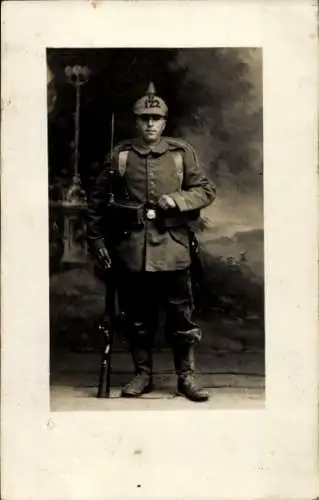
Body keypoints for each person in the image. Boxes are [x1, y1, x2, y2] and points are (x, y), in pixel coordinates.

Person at [87, 82, 216, 402]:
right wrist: (97, 241)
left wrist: (178, 199)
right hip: (133, 250)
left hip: (173, 248)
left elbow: (206, 190)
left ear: (164, 122)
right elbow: (96, 203)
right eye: (144, 118)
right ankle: (142, 375)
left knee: (181, 317)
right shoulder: (121, 155)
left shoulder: (180, 153)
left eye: (155, 118)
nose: (150, 124)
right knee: (137, 318)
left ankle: (186, 378)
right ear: (136, 121)